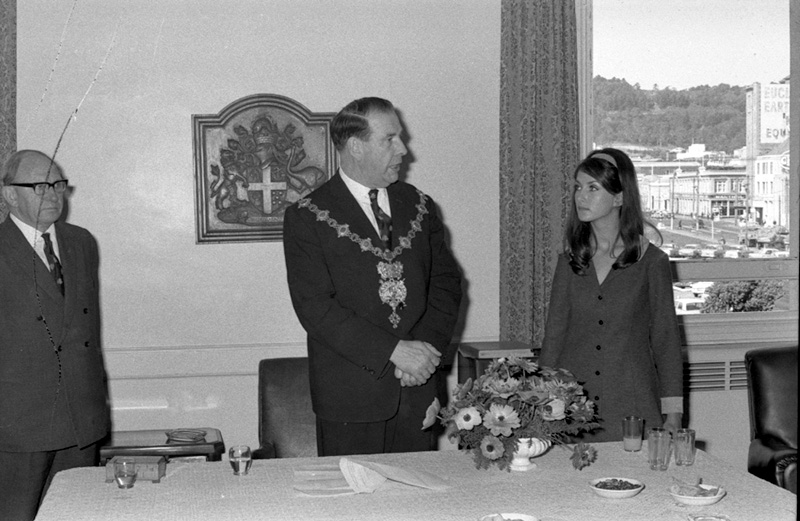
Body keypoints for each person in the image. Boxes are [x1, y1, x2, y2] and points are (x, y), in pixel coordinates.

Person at [282, 97, 462, 456]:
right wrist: (394, 351)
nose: (403, 150)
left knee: (417, 507)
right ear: (355, 147)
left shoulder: (421, 206)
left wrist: (422, 358)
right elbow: (315, 308)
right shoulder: (307, 217)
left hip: (417, 391)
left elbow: (447, 285)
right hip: (350, 400)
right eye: (390, 139)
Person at [539, 147, 683, 443]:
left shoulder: (652, 262)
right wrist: (541, 397)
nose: (581, 196)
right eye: (578, 187)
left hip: (632, 406)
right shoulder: (569, 262)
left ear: (619, 197)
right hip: (572, 406)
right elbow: (554, 336)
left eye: (593, 188)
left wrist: (674, 413)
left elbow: (666, 340)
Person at [0, 150, 110, 520]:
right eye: (39, 186)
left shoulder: (81, 242)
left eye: (58, 184)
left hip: (81, 417)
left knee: (77, 514)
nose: (52, 194)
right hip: (17, 425)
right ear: (10, 195)